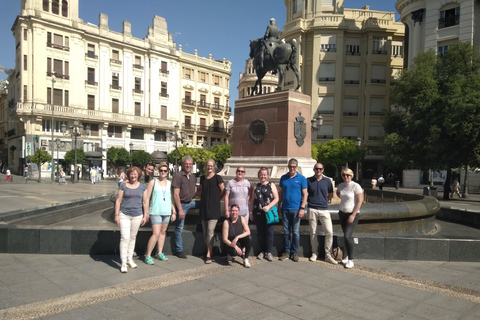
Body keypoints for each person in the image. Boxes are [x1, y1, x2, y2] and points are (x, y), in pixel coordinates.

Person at [114, 166, 149, 273]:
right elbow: (118, 201)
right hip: (124, 214)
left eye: (135, 174)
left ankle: (130, 259)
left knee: (133, 237)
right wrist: (116, 215)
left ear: (139, 175)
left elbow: (145, 201)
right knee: (125, 237)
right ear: (128, 174)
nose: (133, 176)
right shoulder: (123, 185)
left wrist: (145, 215)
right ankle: (123, 262)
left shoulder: (143, 187)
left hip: (137, 215)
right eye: (132, 174)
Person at [144, 162, 176, 265]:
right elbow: (147, 197)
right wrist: (147, 211)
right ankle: (148, 255)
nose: (163, 172)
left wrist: (174, 211)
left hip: (166, 211)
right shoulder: (153, 182)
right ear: (158, 171)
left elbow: (171, 199)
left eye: (165, 171)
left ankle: (159, 252)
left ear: (167, 172)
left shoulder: (170, 183)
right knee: (156, 233)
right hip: (156, 211)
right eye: (161, 170)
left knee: (163, 232)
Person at [307, 163, 337, 264]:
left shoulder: (327, 181)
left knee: (329, 232)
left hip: (324, 209)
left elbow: (331, 194)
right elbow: (306, 194)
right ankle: (314, 253)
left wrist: (324, 201)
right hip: (312, 209)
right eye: (317, 168)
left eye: (320, 169)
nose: (318, 170)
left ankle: (328, 254)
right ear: (314, 169)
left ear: (323, 170)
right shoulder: (309, 180)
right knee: (313, 232)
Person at [278, 158, 307, 262]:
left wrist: (302, 208)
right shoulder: (283, 178)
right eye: (290, 166)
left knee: (295, 232)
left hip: (296, 209)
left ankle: (294, 252)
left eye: (294, 166)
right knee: (286, 232)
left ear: (296, 167)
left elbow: (305, 194)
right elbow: (280, 193)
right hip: (285, 208)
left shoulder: (302, 178)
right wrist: (278, 206)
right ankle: (286, 252)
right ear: (288, 167)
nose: (292, 168)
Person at [198, 159, 225, 264]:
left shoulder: (217, 178)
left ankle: (209, 253)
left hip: (213, 209)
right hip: (204, 208)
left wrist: (217, 199)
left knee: (210, 231)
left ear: (214, 167)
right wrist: (200, 195)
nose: (209, 167)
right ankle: (209, 250)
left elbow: (223, 190)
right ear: (205, 166)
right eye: (208, 165)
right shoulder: (202, 178)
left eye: (211, 166)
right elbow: (200, 189)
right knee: (205, 232)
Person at [336, 168, 363, 269]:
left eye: (348, 175)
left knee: (347, 236)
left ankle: (351, 259)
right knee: (346, 235)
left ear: (352, 176)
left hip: (352, 214)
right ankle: (347, 256)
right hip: (342, 213)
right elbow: (339, 194)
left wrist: (353, 214)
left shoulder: (356, 186)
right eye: (344, 175)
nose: (346, 177)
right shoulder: (341, 186)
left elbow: (360, 201)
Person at [250, 167, 279, 262]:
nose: (263, 176)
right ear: (259, 175)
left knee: (269, 232)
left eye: (264, 174)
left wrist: (269, 206)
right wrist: (251, 212)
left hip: (269, 213)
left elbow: (276, 198)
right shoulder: (255, 186)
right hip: (258, 213)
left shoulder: (271, 185)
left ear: (267, 176)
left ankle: (269, 252)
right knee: (260, 233)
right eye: (261, 174)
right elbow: (252, 200)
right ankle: (262, 251)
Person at [172, 156, 197, 259]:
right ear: (182, 164)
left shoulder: (192, 177)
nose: (188, 166)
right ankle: (179, 250)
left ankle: (200, 224)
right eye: (186, 164)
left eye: (190, 164)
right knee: (179, 228)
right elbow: (176, 194)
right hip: (182, 204)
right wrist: (180, 210)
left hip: (191, 202)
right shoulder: (178, 176)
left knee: (205, 205)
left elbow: (195, 190)